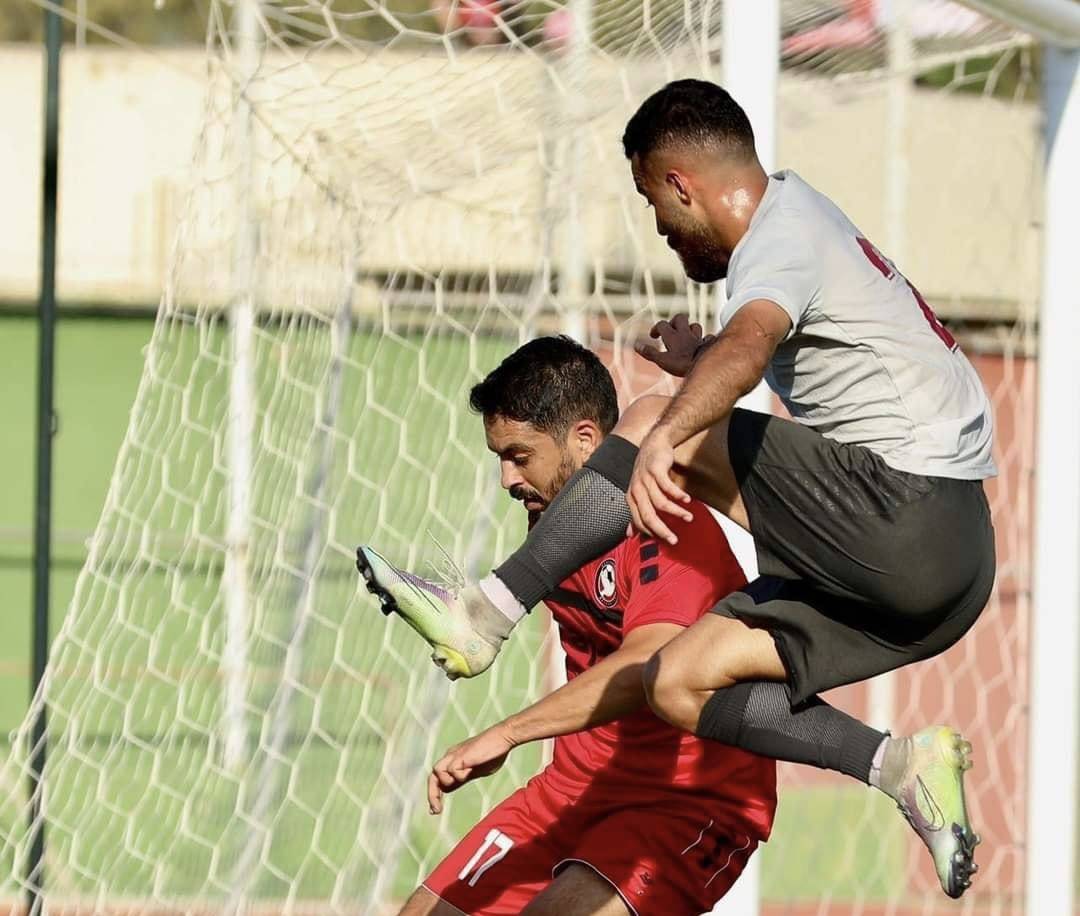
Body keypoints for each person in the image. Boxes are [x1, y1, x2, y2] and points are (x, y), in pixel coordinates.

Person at [360, 79, 993, 899]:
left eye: (654, 205)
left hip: (910, 510)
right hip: (937, 579)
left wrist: (671, 424)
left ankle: (482, 615)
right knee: (681, 680)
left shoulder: (780, 232)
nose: (661, 232)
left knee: (661, 418)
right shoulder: (808, 227)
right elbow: (782, 353)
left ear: (677, 182)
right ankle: (899, 764)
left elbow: (753, 340)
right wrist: (703, 370)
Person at [358, 336, 776, 916]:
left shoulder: (664, 520)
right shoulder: (549, 541)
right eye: (499, 458)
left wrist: (506, 733)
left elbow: (646, 664)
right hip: (573, 793)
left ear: (584, 441)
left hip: (689, 802)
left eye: (519, 455)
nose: (506, 479)